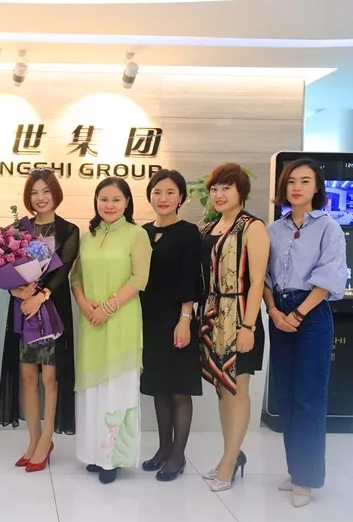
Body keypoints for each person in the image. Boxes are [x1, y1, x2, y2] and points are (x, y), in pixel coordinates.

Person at [264, 158, 347, 508]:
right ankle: (295, 468)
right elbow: (264, 277)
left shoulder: (329, 227)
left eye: (305, 181)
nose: (296, 187)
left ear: (317, 188)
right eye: (291, 181)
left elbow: (329, 277)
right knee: (285, 395)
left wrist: (298, 313)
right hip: (279, 311)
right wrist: (273, 311)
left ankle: (306, 479)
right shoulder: (273, 230)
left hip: (311, 314)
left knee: (309, 397)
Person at [0, 167, 79, 472]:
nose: (40, 197)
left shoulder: (69, 230)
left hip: (52, 309)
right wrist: (15, 289)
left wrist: (40, 296)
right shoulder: (18, 229)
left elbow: (63, 270)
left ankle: (46, 440)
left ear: (55, 193)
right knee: (27, 376)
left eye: (46, 191)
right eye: (34, 192)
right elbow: (4, 266)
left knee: (50, 378)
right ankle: (32, 440)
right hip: (22, 309)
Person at [70, 177, 152, 485]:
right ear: (96, 201)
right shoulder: (87, 236)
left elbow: (140, 278)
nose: (109, 205)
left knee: (117, 387)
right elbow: (75, 277)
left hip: (121, 322)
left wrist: (107, 308)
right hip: (90, 322)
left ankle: (113, 458)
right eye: (103, 199)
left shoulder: (137, 234)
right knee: (92, 388)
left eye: (116, 199)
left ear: (127, 202)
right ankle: (94, 453)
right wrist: (84, 305)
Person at [198, 162, 270, 492]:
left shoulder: (252, 227)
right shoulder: (209, 227)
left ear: (241, 191)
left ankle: (228, 462)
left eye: (226, 188)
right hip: (213, 316)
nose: (219, 194)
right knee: (222, 387)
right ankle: (231, 454)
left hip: (240, 315)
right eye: (215, 188)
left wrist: (249, 326)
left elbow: (257, 281)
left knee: (238, 387)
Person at [139, 169, 202, 482]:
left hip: (177, 319)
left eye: (170, 192)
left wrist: (185, 319)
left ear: (181, 197)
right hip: (148, 319)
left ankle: (178, 455)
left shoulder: (188, 232)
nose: (162, 198)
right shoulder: (142, 232)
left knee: (178, 388)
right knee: (158, 389)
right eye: (157, 192)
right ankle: (163, 449)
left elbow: (190, 277)